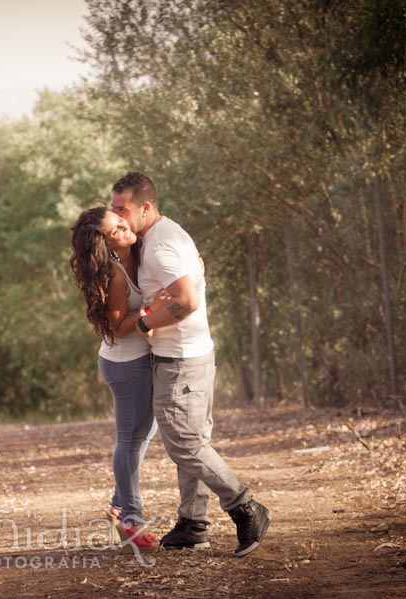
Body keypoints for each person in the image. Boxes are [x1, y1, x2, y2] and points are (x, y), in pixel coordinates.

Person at [110, 171, 272, 557]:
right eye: (113, 209)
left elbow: (186, 300)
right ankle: (193, 523)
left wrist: (146, 322)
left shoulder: (158, 246)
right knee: (194, 439)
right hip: (193, 353)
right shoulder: (165, 233)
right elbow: (193, 277)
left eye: (123, 210)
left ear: (145, 208)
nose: (117, 217)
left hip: (181, 358)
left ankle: (246, 508)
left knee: (183, 443)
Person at [70, 206, 162, 552]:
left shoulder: (132, 257)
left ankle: (118, 504)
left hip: (134, 362)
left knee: (145, 433)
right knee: (129, 440)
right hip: (125, 365)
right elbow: (119, 329)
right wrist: (150, 310)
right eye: (115, 230)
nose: (124, 227)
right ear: (106, 245)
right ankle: (131, 521)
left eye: (120, 221)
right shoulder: (116, 274)